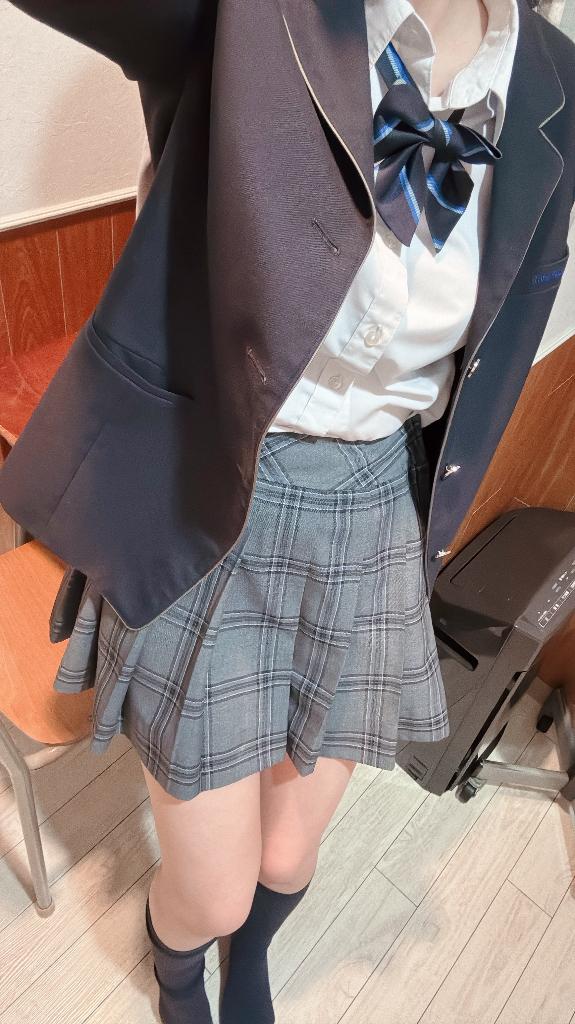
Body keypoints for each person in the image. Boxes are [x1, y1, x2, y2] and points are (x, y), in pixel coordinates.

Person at [2, 1, 574, 1022]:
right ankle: (180, 961)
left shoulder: (553, 76)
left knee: (288, 854)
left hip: (374, 509)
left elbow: (504, 324)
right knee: (213, 886)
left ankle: (251, 952)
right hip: (210, 494)